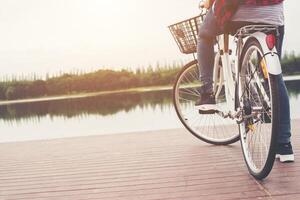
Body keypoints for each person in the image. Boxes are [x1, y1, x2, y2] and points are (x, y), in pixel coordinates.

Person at [196, 0, 294, 162]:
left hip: (236, 13)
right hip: (272, 15)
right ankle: (284, 146)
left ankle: (207, 93)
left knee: (205, 36)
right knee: (274, 77)